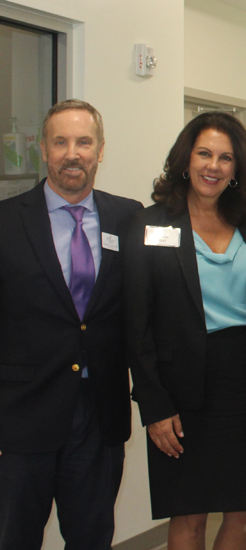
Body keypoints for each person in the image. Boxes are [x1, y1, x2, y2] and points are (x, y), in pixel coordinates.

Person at [125, 112, 246, 549]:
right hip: (179, 390)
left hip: (243, 385)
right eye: (204, 153)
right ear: (185, 159)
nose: (213, 165)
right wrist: (152, 404)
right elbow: (136, 323)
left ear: (237, 168)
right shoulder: (151, 224)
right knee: (189, 512)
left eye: (225, 158)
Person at [0, 99, 141, 549]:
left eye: (83, 141)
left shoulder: (130, 217)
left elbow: (167, 276)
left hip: (100, 418)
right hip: (22, 419)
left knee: (92, 537)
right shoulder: (5, 222)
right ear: (43, 149)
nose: (71, 153)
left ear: (100, 151)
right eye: (60, 142)